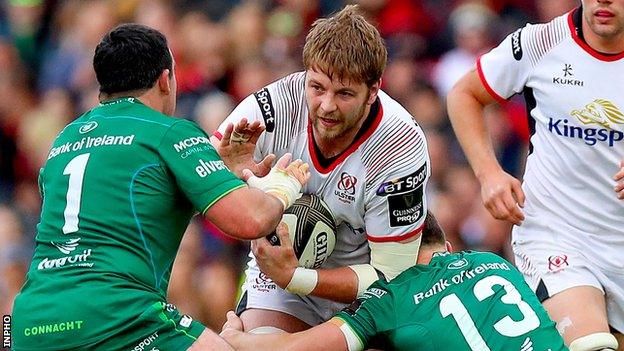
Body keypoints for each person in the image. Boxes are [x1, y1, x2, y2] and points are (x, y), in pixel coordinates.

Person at [11, 23, 310, 351]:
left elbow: (121, 206)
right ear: (166, 80)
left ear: (103, 88)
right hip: (114, 314)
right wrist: (285, 185)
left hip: (25, 322)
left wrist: (216, 177)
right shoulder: (169, 131)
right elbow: (252, 220)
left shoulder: (64, 139)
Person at [211, 5, 431, 333]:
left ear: (373, 90)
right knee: (259, 343)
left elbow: (391, 275)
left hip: (367, 290)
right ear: (305, 75)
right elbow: (196, 190)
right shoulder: (270, 111)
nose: (327, 105)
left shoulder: (400, 146)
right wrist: (231, 177)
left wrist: (299, 278)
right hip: (280, 276)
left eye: (344, 93)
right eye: (317, 88)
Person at [447, 1, 624, 350]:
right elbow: (464, 94)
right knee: (591, 345)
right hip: (557, 234)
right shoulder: (540, 42)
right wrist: (489, 174)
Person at [220, 212, 567, 351]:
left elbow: (293, 349)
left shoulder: (390, 297)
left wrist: (235, 337)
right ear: (446, 247)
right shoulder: (493, 262)